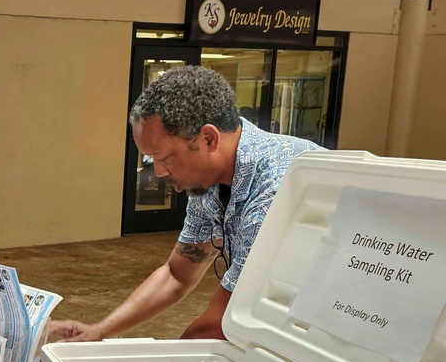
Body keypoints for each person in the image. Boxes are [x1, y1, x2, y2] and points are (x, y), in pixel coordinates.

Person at [50, 66, 324, 342]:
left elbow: (228, 319)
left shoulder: (278, 187)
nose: (158, 172)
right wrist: (100, 330)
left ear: (208, 138)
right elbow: (176, 274)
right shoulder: (209, 180)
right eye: (150, 160)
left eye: (165, 158)